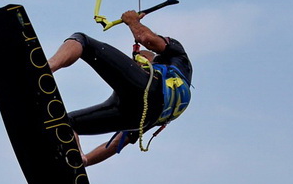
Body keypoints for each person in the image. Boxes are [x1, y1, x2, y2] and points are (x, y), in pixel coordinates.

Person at [48, 10, 192, 166]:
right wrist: (87, 161)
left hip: (149, 90)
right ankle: (78, 157)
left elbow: (147, 39)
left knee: (82, 40)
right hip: (136, 114)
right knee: (66, 124)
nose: (136, 62)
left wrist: (132, 21)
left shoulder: (176, 55)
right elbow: (117, 144)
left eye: (140, 59)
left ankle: (46, 68)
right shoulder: (158, 112)